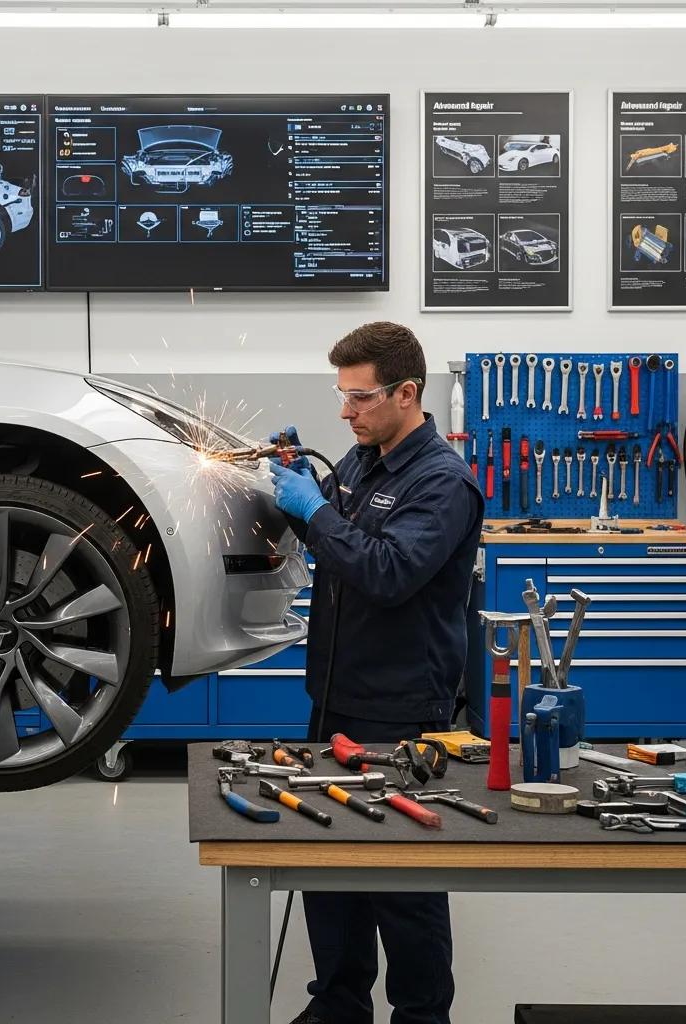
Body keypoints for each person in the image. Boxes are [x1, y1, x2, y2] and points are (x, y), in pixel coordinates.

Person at [268, 322, 485, 1024]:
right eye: (342, 396)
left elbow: (388, 573)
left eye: (359, 398)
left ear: (407, 393)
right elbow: (346, 548)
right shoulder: (364, 458)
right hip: (334, 694)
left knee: (402, 878)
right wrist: (307, 500)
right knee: (330, 862)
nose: (345, 412)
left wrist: (317, 511)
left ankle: (422, 1016)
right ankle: (337, 1004)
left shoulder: (443, 483)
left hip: (399, 706)